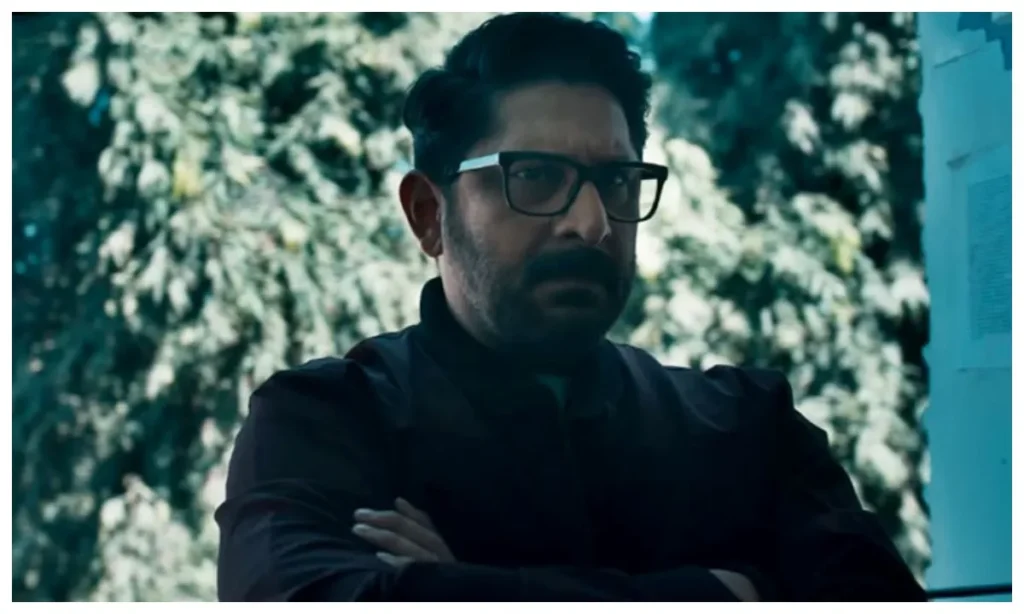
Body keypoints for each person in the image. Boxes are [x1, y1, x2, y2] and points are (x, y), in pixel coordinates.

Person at [215, 12, 926, 602]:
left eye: (617, 181)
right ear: (430, 213)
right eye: (534, 175)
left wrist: (460, 583)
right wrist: (723, 592)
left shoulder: (746, 430)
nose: (591, 222)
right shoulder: (327, 422)